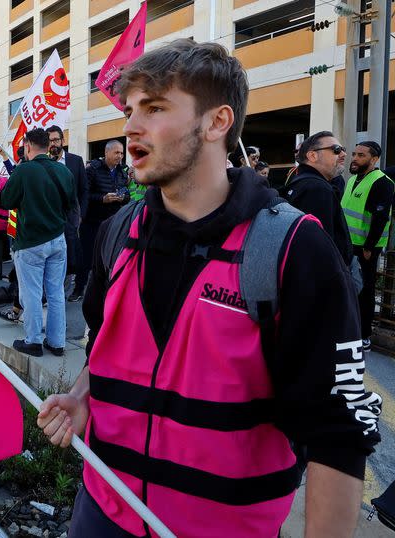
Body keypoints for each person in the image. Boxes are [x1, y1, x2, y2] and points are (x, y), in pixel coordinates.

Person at [37, 39, 380, 537]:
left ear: (217, 122)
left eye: (154, 108)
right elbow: (104, 339)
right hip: (101, 510)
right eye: (131, 109)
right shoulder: (117, 234)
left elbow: (337, 431)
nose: (131, 126)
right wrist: (81, 394)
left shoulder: (292, 248)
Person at [1, 128, 77, 357]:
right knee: (55, 293)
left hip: (30, 241)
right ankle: (57, 342)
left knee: (32, 293)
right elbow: (71, 204)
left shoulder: (24, 170)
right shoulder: (63, 171)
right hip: (58, 239)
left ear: (28, 146)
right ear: (47, 145)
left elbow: (7, 200)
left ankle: (33, 340)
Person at [341, 141, 395, 351]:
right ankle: (349, 328)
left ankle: (364, 335)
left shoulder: (382, 182)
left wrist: (369, 247)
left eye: (361, 155)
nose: (354, 158)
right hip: (348, 245)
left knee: (365, 290)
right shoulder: (354, 179)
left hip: (365, 248)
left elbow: (380, 218)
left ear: (374, 159)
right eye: (354, 154)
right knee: (349, 288)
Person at [281, 131, 353, 265]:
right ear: (313, 156)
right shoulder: (317, 189)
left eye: (343, 149)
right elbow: (319, 248)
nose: (343, 154)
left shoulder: (303, 182)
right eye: (336, 150)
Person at [71, 140, 129, 301]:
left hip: (113, 222)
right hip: (92, 221)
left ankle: (107, 290)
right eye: (117, 152)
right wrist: (102, 198)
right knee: (86, 257)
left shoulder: (122, 172)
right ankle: (79, 288)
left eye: (122, 153)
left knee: (110, 256)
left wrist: (122, 197)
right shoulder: (93, 170)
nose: (120, 156)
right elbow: (84, 195)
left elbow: (127, 194)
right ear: (107, 153)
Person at [47, 125, 88, 290]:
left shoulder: (75, 161)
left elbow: (84, 190)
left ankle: (64, 291)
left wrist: (81, 215)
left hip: (71, 219)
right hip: (50, 220)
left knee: (70, 255)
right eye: (49, 141)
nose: (53, 144)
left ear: (63, 140)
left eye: (56, 139)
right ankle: (53, 291)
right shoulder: (44, 163)